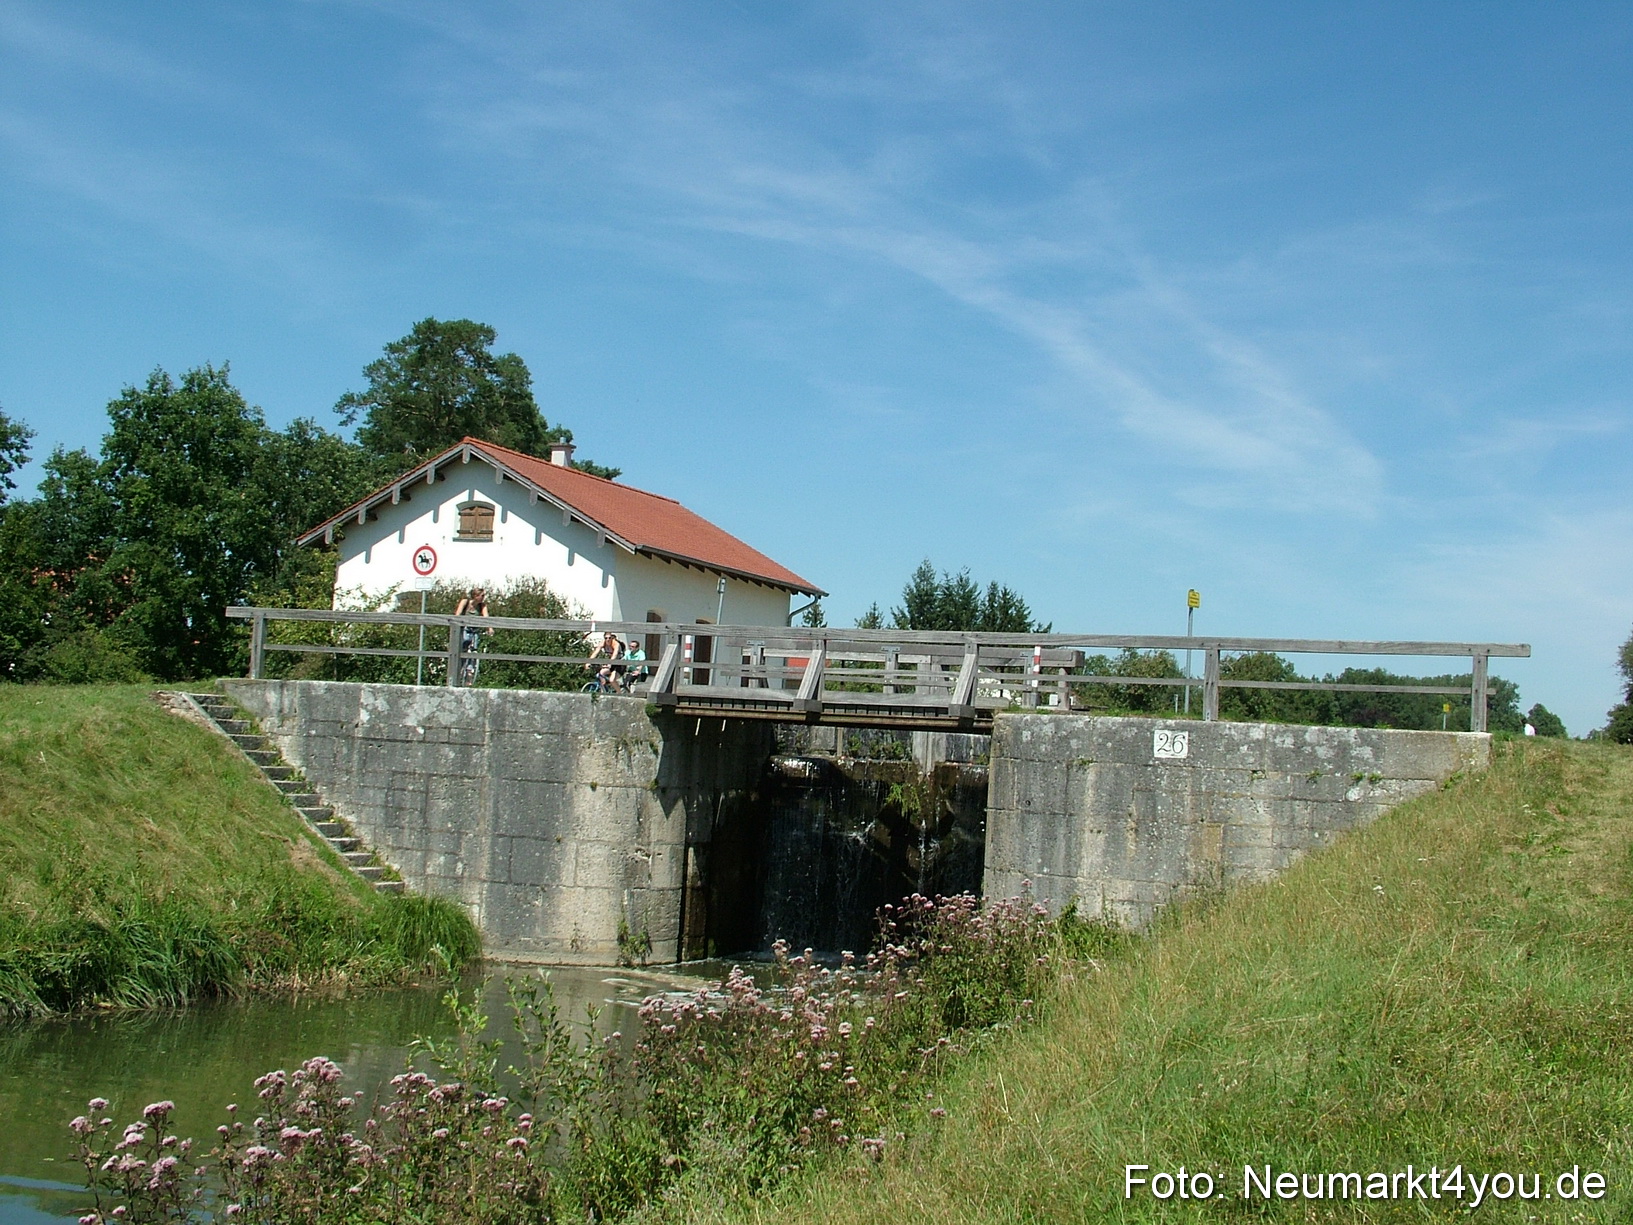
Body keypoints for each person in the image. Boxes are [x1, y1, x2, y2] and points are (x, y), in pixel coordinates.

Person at [453, 587, 490, 684]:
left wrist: (489, 628)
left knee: (473, 652)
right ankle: (459, 670)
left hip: (475, 630)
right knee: (462, 648)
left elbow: (486, 617)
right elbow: (458, 614)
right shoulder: (465, 602)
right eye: (482, 596)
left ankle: (469, 675)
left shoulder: (482, 606)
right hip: (465, 629)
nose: (483, 598)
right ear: (475, 596)